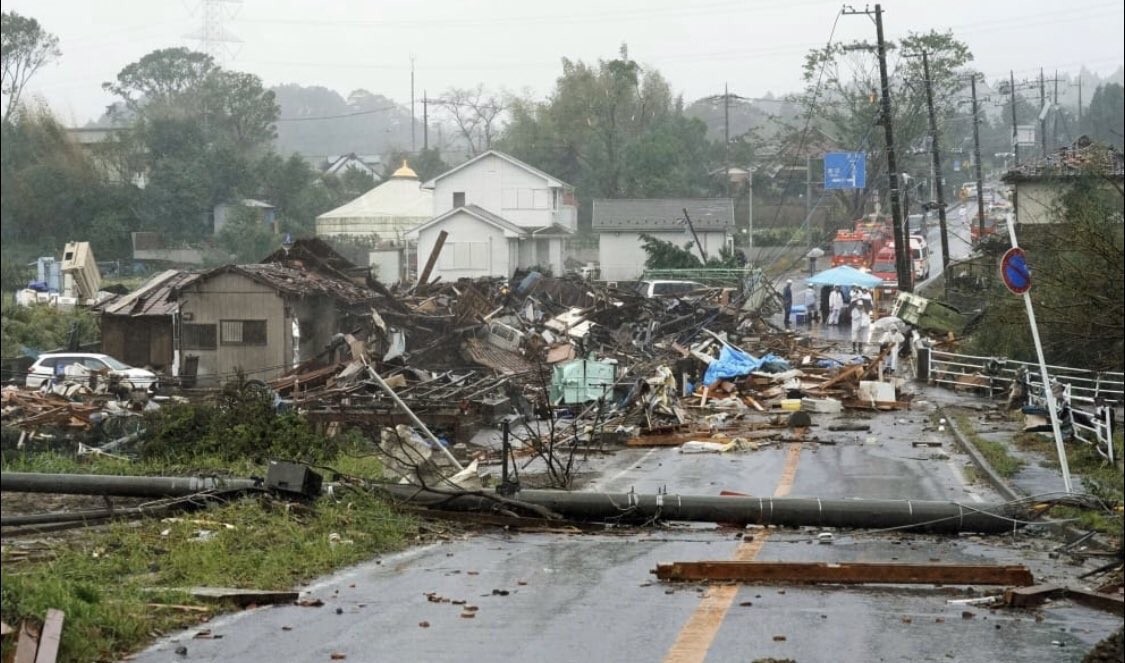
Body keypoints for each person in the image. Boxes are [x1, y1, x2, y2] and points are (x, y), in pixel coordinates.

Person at [850, 286, 873, 354]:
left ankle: (860, 348)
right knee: (854, 333)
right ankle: (854, 349)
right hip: (856, 318)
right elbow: (853, 304)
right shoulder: (855, 297)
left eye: (866, 290)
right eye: (863, 290)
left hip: (863, 318)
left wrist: (865, 307)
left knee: (861, 334)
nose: (864, 291)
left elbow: (870, 306)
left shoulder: (868, 297)